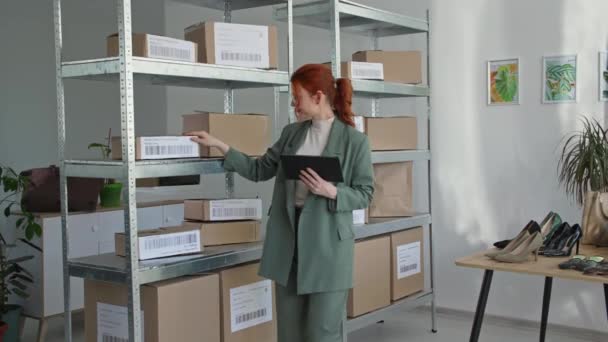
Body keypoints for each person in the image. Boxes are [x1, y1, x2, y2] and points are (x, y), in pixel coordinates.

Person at [186, 64, 374, 342]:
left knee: (322, 333)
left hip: (328, 248)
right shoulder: (291, 134)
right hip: (288, 242)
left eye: (297, 96)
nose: (293, 103)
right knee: (289, 332)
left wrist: (331, 191)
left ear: (318, 97)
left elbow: (365, 192)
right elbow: (260, 169)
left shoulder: (355, 141)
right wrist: (220, 145)